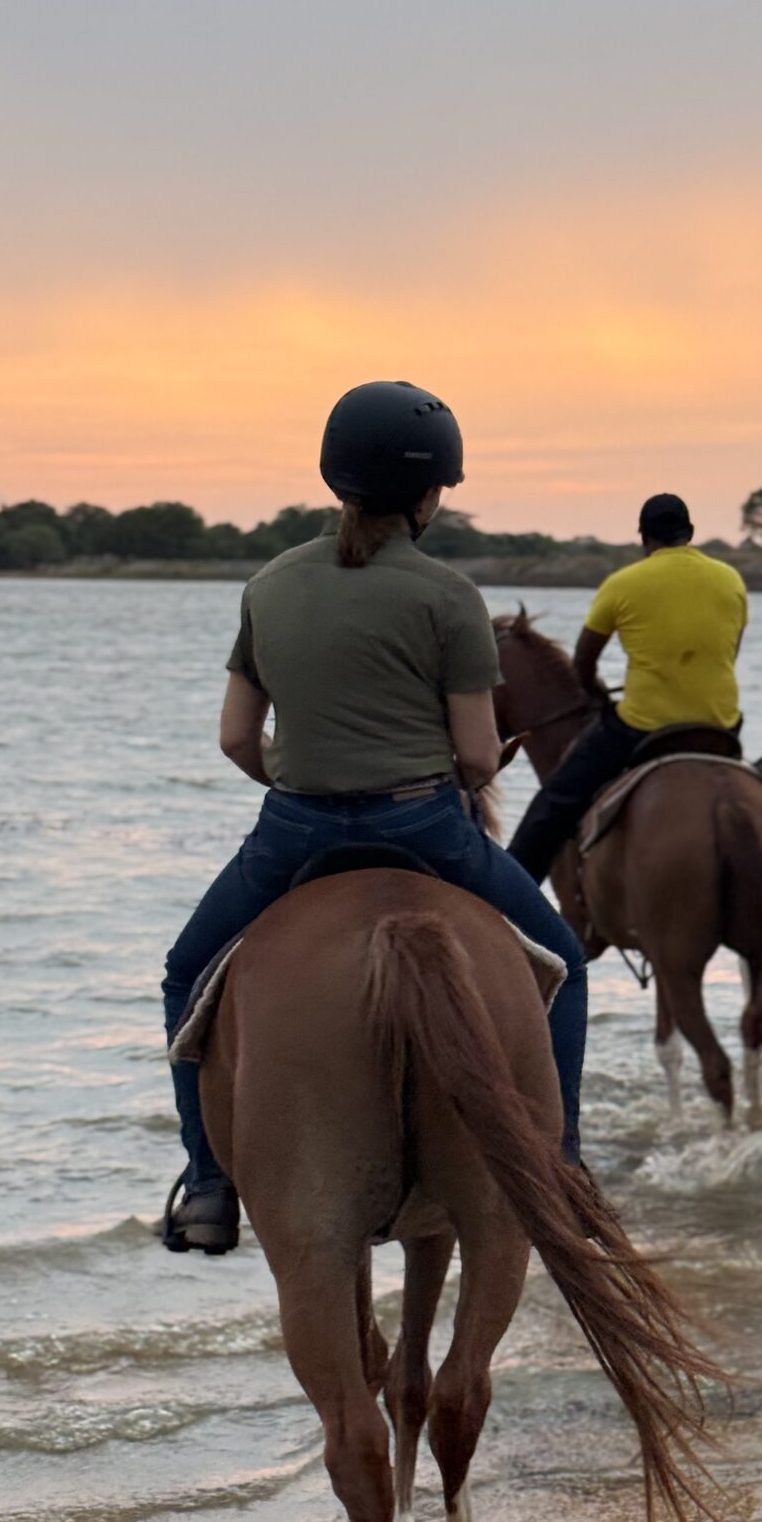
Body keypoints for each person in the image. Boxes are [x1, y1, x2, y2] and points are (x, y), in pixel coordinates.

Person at [160, 381, 588, 1254]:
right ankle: (564, 1163)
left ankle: (207, 1183)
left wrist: (301, 775)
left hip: (294, 831)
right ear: (430, 494)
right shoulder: (449, 596)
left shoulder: (269, 585)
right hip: (424, 825)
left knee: (186, 974)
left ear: (336, 479)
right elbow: (478, 759)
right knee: (566, 963)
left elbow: (237, 739)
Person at [507, 494, 748, 881]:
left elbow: (583, 662)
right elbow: (728, 653)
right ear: (689, 533)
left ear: (644, 538)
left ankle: (508, 892)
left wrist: (595, 692)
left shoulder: (623, 583)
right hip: (721, 725)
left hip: (643, 727)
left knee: (555, 802)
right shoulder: (730, 579)